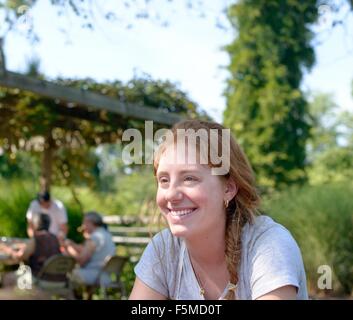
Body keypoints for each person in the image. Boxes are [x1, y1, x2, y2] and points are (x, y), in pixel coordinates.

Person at [129, 119, 308, 300]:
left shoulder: (268, 244)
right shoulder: (164, 249)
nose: (171, 195)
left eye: (189, 178)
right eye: (164, 180)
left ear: (228, 189)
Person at [1, 213, 62, 286]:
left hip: (40, 279)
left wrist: (7, 249)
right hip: (60, 279)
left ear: (34, 225)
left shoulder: (35, 240)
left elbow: (19, 256)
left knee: (6, 278)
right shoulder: (55, 239)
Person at [61, 211, 116, 286]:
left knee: (64, 273)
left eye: (84, 223)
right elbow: (88, 250)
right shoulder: (107, 235)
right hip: (106, 275)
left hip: (94, 275)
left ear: (89, 222)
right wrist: (72, 245)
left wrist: (68, 249)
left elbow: (81, 261)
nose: (83, 226)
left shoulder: (95, 237)